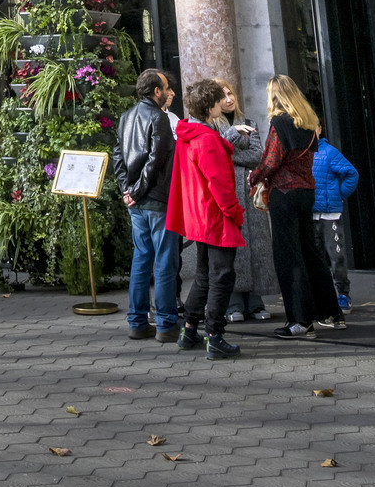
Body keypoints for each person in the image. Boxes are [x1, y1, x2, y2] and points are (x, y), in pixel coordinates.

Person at [251, 74, 343, 338]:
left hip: (284, 193)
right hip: (307, 191)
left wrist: (254, 177)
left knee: (288, 255)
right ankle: (330, 312)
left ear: (274, 95)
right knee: (311, 251)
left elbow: (270, 160)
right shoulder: (309, 122)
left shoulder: (279, 122)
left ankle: (300, 320)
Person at [166, 77, 246, 362]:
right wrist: (235, 212)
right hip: (215, 217)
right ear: (211, 106)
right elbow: (221, 186)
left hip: (198, 215)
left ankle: (189, 330)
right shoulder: (207, 139)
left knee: (203, 275)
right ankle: (215, 335)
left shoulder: (188, 134)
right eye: (217, 100)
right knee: (222, 276)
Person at [111, 68, 179, 342]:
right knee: (164, 262)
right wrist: (136, 191)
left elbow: (117, 158)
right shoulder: (159, 117)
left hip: (136, 201)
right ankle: (165, 325)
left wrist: (126, 191)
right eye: (165, 87)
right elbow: (156, 161)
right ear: (156, 92)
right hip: (156, 200)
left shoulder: (125, 117)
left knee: (141, 260)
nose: (169, 92)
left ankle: (137, 323)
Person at [215, 85, 276, 322]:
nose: (229, 99)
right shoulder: (212, 126)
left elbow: (257, 156)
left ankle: (255, 300)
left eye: (231, 94)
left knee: (257, 247)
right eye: (223, 96)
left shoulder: (248, 121)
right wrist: (230, 140)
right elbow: (215, 152)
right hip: (228, 193)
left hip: (250, 194)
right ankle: (233, 301)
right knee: (234, 248)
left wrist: (228, 152)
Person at [312, 131, 359, 310]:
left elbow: (351, 173)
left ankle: (343, 294)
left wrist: (340, 195)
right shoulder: (300, 152)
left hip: (330, 214)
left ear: (318, 129)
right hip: (310, 214)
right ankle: (321, 294)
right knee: (316, 258)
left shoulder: (329, 152)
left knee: (336, 256)